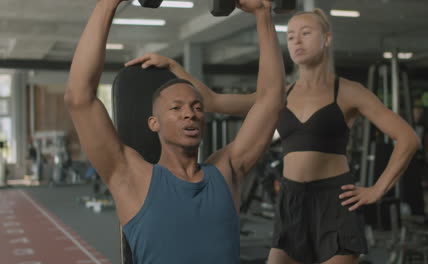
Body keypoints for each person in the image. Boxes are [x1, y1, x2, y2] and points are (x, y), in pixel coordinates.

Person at [127, 8, 420, 264]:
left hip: (335, 201)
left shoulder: (349, 91)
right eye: (290, 35)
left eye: (305, 33)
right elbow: (213, 101)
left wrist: (378, 189)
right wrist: (175, 68)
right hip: (291, 201)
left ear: (327, 39)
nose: (296, 41)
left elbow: (407, 138)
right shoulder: (280, 96)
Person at [64, 0, 285, 263]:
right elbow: (79, 98)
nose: (189, 113)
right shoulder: (132, 178)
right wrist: (108, 5)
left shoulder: (227, 171)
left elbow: (271, 100)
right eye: (176, 108)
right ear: (154, 123)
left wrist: (262, 13)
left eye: (197, 107)